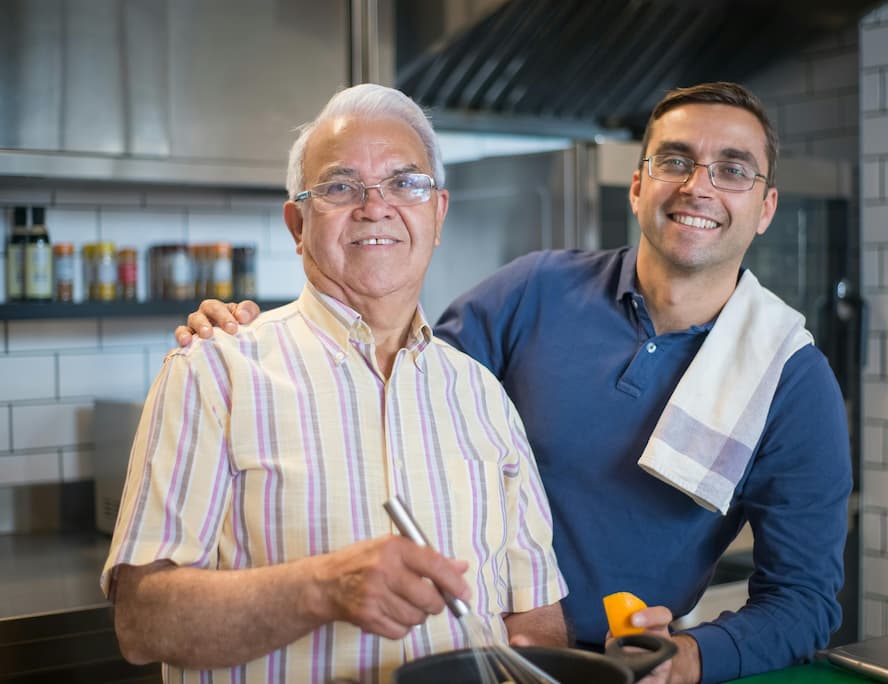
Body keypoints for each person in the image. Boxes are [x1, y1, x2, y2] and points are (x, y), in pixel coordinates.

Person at [178, 82, 852, 684]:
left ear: (765, 207)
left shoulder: (788, 378)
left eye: (732, 170)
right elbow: (393, 382)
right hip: (460, 649)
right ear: (639, 185)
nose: (698, 186)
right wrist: (267, 335)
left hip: (625, 665)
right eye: (675, 160)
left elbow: (804, 599)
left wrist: (691, 656)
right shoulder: (537, 290)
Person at [102, 83, 569, 684]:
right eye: (341, 186)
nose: (376, 206)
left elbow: (531, 613)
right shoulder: (214, 371)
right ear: (298, 224)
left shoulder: (483, 397)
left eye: (405, 183)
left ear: (438, 212)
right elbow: (143, 622)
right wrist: (321, 588)